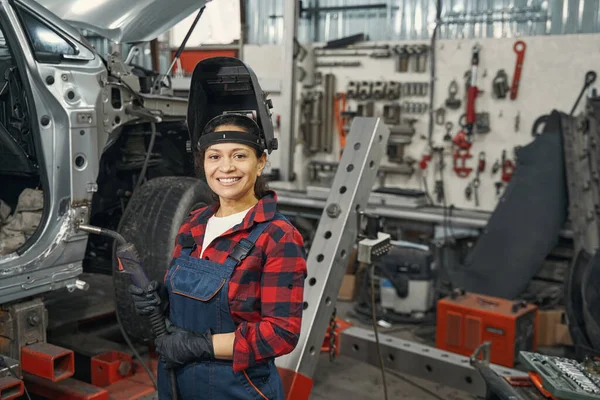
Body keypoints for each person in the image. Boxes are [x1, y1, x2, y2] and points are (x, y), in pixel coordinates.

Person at [129, 57, 307, 400]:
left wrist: (200, 346)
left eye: (239, 155)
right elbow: (186, 304)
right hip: (176, 383)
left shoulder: (278, 237)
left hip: (238, 388)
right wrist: (157, 302)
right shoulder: (195, 224)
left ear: (261, 161)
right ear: (203, 162)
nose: (226, 167)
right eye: (214, 156)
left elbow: (281, 333)